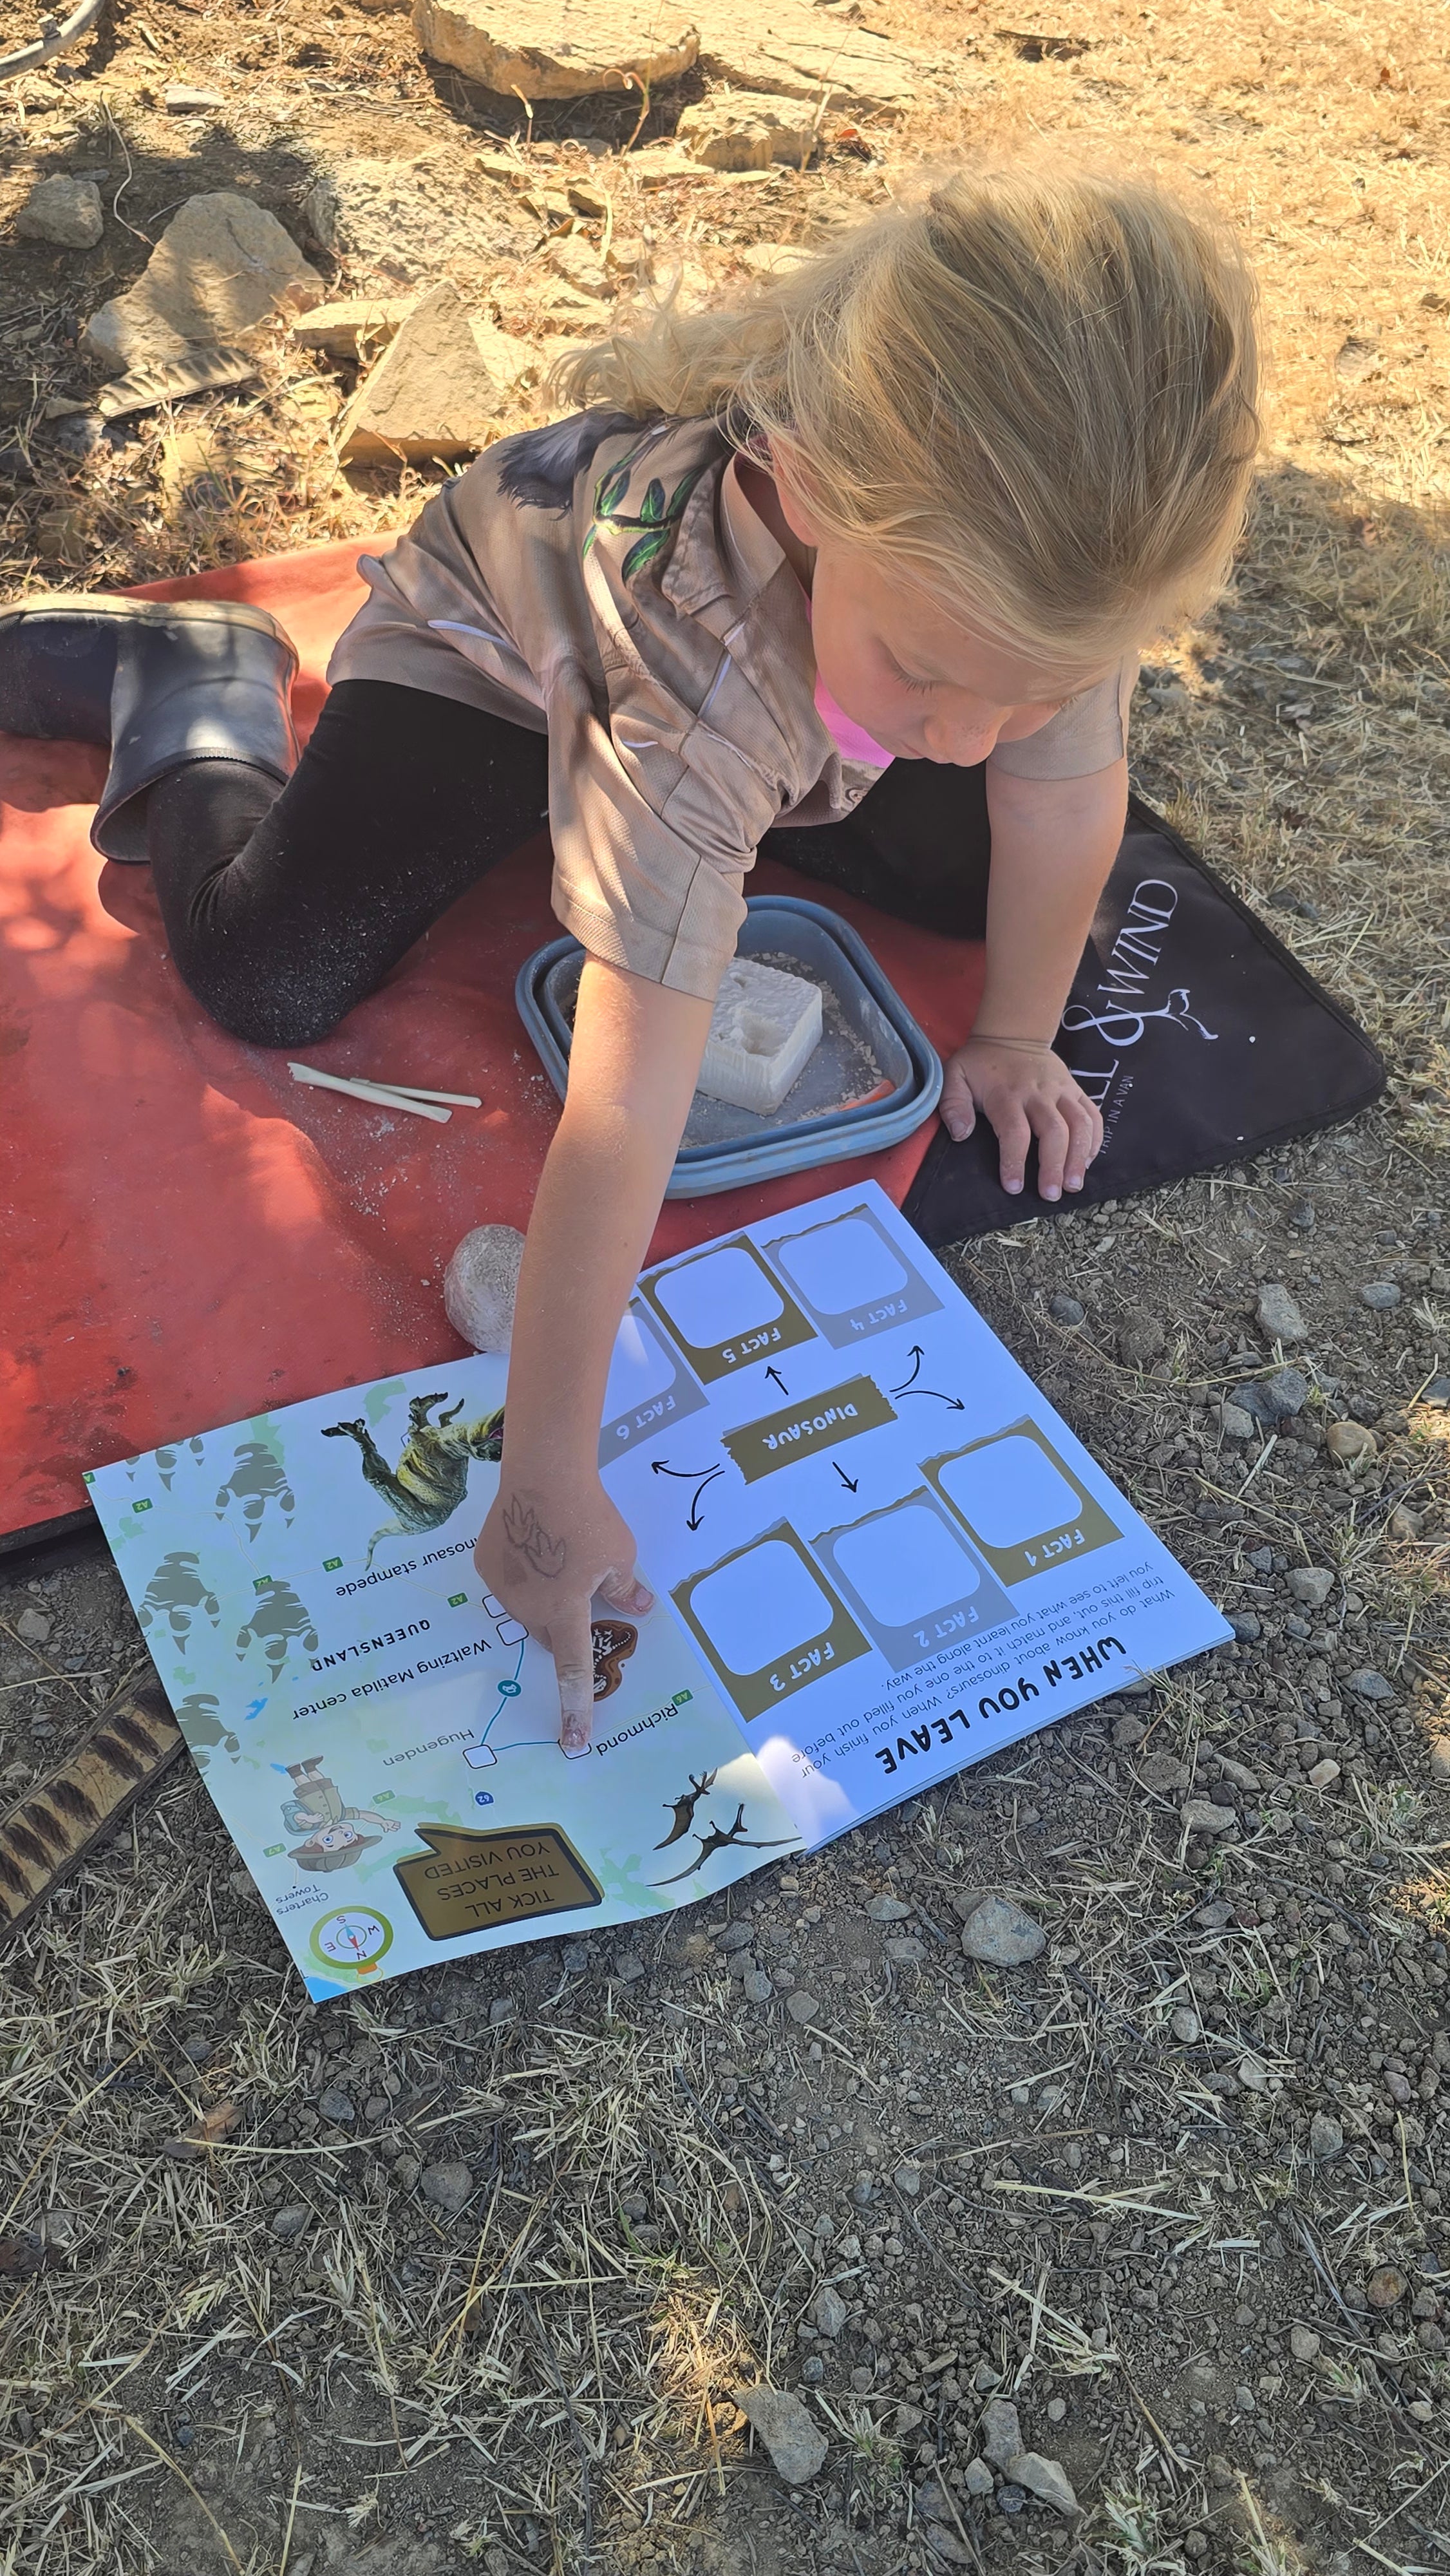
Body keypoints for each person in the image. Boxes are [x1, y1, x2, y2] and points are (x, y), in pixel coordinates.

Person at [0, 157, 1259, 1751]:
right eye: (933, 672)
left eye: (1034, 684)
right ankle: (189, 686)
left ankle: (738, 801)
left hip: (748, 721)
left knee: (978, 870)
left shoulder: (1057, 549)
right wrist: (542, 1476)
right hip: (495, 659)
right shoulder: (704, 681)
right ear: (816, 490)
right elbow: (623, 1100)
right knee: (269, 971)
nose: (969, 732)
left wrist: (1015, 1030)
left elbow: (1065, 785)